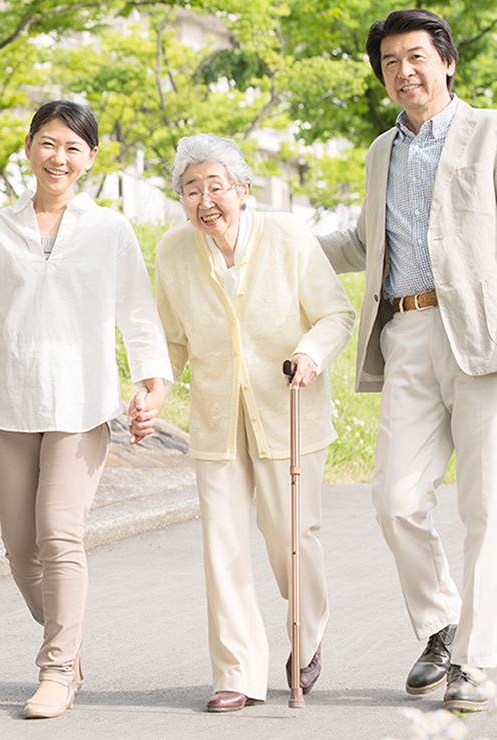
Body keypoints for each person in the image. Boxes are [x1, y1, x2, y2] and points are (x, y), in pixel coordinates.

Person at [0, 100, 172, 719]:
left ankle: (55, 671)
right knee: (20, 547)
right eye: (49, 144)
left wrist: (152, 383)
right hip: (10, 403)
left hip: (80, 404)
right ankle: (69, 647)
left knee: (58, 531)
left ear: (90, 159)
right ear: (29, 148)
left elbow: (137, 314)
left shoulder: (111, 231)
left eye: (73, 148)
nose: (59, 157)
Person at [131, 133, 354, 711]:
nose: (205, 199)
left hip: (288, 407)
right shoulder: (174, 250)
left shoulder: (287, 236)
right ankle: (237, 673)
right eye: (190, 188)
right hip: (215, 416)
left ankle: (306, 634)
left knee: (290, 537)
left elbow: (336, 313)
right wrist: (153, 391)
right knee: (222, 544)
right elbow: (171, 341)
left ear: (242, 190)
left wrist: (310, 351)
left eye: (215, 186)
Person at [319, 8, 497, 713]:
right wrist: (265, 235)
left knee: (486, 508)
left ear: (447, 61)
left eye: (416, 56)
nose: (404, 71)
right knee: (394, 499)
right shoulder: (379, 152)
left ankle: (475, 666)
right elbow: (363, 244)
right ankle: (441, 627)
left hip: (484, 336)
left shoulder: (489, 134)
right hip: (408, 333)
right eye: (391, 62)